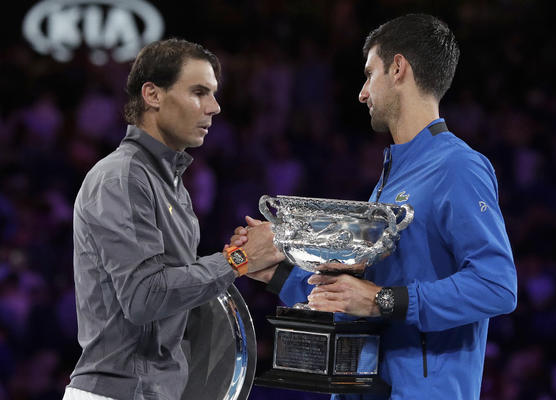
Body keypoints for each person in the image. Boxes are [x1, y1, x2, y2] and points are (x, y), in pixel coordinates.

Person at [231, 14, 517, 400]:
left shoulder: (457, 166)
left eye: (369, 74)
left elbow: (497, 285)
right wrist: (271, 269)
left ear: (398, 68)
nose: (362, 93)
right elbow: (354, 298)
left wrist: (383, 300)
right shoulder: (390, 182)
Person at [63, 39, 284, 400]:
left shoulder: (171, 186)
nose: (214, 107)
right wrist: (237, 261)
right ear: (152, 94)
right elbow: (143, 297)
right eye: (199, 92)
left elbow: (172, 292)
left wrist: (238, 254)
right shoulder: (123, 177)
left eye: (213, 94)